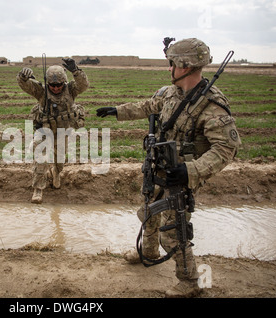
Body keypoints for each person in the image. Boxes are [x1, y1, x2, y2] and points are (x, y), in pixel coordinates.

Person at [96, 38, 241, 297]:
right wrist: (117, 111)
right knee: (149, 212)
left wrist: (191, 171)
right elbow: (147, 106)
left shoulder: (211, 105)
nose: (169, 67)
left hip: (181, 177)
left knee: (174, 233)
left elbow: (225, 149)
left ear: (184, 65)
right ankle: (149, 252)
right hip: (159, 166)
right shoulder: (170, 92)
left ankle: (189, 282)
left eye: (172, 62)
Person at [17, 58, 89, 204]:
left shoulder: (71, 89)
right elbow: (26, 85)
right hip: (45, 129)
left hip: (63, 130)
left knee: (60, 160)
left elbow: (84, 85)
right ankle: (38, 189)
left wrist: (76, 71)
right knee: (41, 157)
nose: (55, 88)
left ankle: (56, 172)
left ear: (64, 82)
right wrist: (23, 77)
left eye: (59, 85)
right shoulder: (41, 91)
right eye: (52, 85)